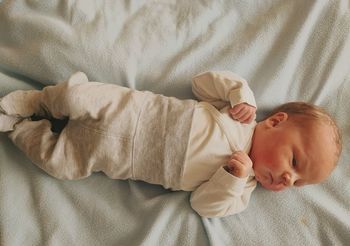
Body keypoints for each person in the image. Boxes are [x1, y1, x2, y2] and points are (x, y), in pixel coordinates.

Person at [0, 71, 342, 218]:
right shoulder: (238, 116)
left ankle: (20, 129)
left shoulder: (241, 191)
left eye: (297, 183)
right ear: (276, 121)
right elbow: (201, 83)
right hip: (131, 111)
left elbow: (203, 205)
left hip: (115, 157)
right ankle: (33, 104)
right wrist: (239, 92)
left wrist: (232, 179)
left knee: (59, 163)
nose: (287, 180)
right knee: (75, 96)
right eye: (294, 162)